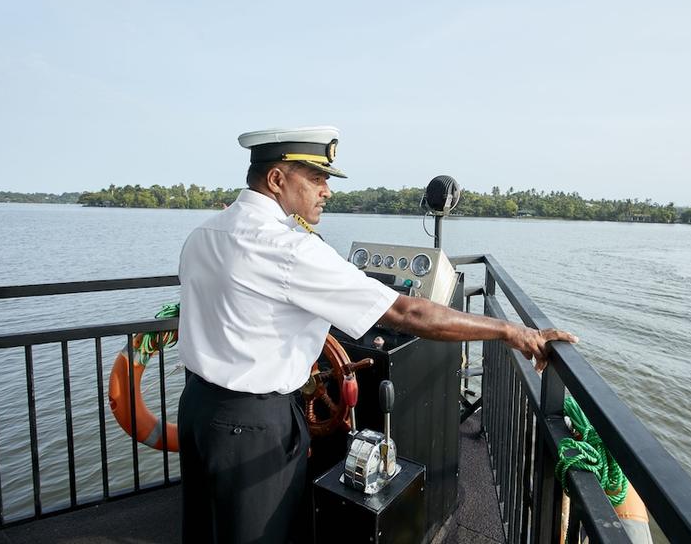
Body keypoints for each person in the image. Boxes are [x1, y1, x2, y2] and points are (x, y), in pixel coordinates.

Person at [176, 126, 578, 544]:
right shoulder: (290, 249)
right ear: (277, 180)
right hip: (254, 425)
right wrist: (512, 332)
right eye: (316, 178)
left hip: (198, 407)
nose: (326, 190)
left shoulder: (203, 234)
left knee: (205, 527)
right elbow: (408, 309)